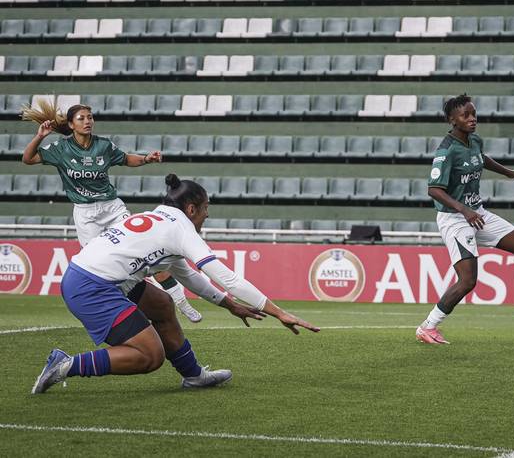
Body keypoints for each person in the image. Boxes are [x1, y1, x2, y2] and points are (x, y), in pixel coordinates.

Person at [32, 174, 320, 394]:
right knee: (150, 356)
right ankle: (66, 365)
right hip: (91, 287)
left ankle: (194, 376)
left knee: (161, 304)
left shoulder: (159, 217)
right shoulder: (181, 229)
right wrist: (279, 312)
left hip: (89, 276)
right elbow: (228, 278)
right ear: (191, 208)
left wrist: (230, 305)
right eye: (206, 208)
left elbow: (189, 276)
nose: (208, 214)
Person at [21, 100, 202, 323]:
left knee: (146, 251)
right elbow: (28, 159)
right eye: (81, 118)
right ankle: (117, 310)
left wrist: (146, 159)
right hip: (86, 214)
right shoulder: (61, 149)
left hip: (112, 208)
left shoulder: (103, 145)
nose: (87, 121)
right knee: (98, 266)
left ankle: (181, 301)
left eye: (90, 117)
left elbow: (125, 159)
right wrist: (40, 136)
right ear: (71, 124)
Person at [415, 94, 514, 344]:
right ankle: (428, 327)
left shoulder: (474, 140)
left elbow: (481, 159)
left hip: (477, 213)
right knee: (468, 281)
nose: (472, 118)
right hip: (455, 218)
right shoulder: (446, 151)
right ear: (452, 120)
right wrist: (464, 211)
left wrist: (508, 172)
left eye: (473, 113)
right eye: (465, 115)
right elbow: (434, 190)